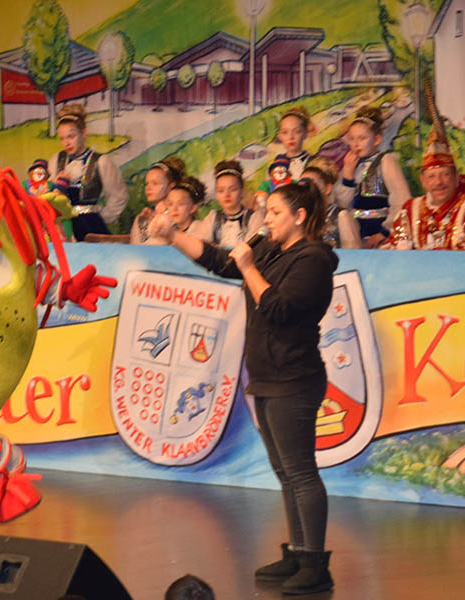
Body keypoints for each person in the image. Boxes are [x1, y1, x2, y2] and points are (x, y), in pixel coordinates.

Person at [149, 181, 338, 595]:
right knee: (284, 472)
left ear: (299, 217)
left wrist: (250, 267)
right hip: (267, 375)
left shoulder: (314, 261)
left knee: (302, 472)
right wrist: (173, 235)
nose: (266, 219)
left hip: (295, 378)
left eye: (273, 212)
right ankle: (298, 552)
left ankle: (315, 563)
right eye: (266, 212)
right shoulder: (271, 249)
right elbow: (221, 261)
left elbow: (278, 307)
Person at [384, 124, 465, 250]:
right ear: (423, 181)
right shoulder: (410, 210)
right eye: (431, 176)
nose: (438, 182)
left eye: (445, 174)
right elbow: (394, 247)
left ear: (456, 178)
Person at [333, 107, 411, 248]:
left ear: (376, 139)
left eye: (362, 138)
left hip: (381, 234)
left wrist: (384, 232)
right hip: (355, 234)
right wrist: (348, 178)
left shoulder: (386, 161)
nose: (356, 144)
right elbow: (342, 206)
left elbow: (402, 200)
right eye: (352, 139)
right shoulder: (349, 165)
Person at [50, 104, 129, 241]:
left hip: (89, 227)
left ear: (83, 132)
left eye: (71, 136)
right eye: (62, 138)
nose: (66, 143)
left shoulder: (101, 161)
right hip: (63, 228)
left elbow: (119, 196)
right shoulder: (56, 160)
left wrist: (100, 216)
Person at [198, 160, 266, 247]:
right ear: (216, 194)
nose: (227, 195)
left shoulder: (254, 218)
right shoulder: (212, 218)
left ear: (242, 192)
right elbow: (200, 246)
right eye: (221, 191)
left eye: (233, 189)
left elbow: (251, 249)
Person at [255, 107, 312, 205]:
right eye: (285, 132)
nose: (291, 137)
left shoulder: (313, 163)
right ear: (279, 136)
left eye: (297, 131)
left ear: (305, 133)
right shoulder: (275, 166)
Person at [301, 157, 358, 249]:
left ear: (328, 188)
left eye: (312, 184)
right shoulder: (300, 218)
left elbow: (352, 254)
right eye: (302, 185)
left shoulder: (341, 216)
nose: (306, 189)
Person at [130, 156, 185, 244]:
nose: (148, 188)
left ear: (171, 186)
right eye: (147, 183)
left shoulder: (178, 214)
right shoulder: (142, 219)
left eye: (155, 183)